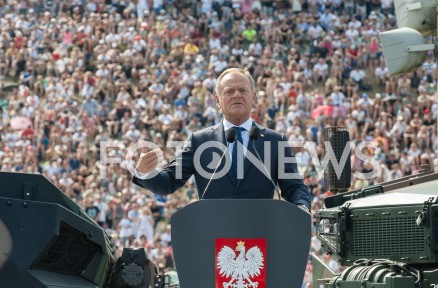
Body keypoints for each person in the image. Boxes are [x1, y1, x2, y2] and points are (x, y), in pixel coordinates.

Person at [133, 68, 311, 212]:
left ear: (253, 97)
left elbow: (294, 187)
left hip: (261, 236)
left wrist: (302, 206)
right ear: (218, 101)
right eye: (229, 91)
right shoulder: (199, 141)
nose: (236, 95)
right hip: (213, 238)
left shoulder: (275, 141)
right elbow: (169, 183)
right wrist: (145, 172)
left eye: (242, 90)